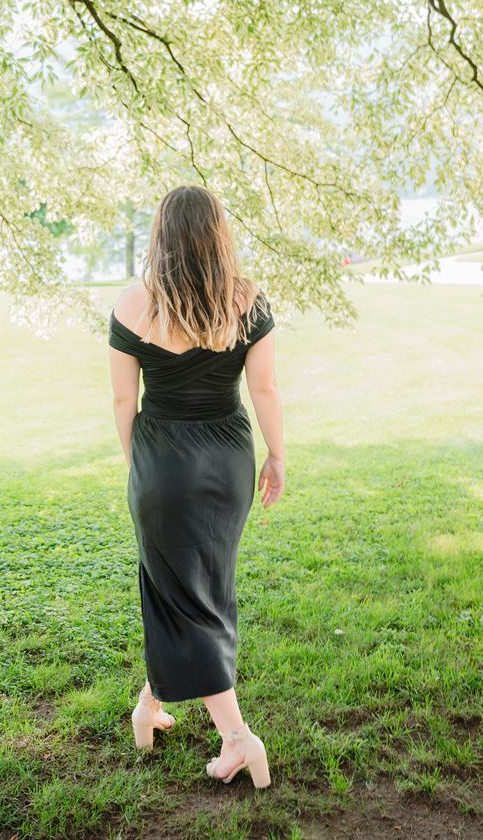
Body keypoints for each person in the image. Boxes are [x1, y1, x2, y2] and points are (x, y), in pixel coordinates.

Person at [108, 185, 285, 789]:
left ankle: (238, 740)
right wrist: (277, 455)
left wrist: (143, 468)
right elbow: (264, 390)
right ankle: (149, 704)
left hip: (164, 463)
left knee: (182, 593)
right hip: (230, 460)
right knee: (196, 589)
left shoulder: (137, 303)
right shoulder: (247, 299)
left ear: (162, 233)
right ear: (217, 233)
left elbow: (122, 400)